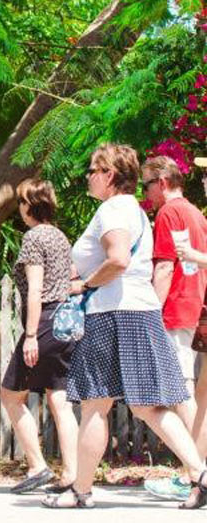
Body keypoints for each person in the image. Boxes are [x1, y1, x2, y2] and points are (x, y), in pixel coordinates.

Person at [44, 144, 207, 509]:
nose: (88, 176)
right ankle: (201, 475)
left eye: (92, 170)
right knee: (149, 405)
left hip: (112, 313)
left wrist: (84, 285)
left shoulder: (113, 209)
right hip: (139, 311)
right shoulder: (131, 209)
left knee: (94, 406)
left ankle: (81, 491)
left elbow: (117, 259)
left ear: (110, 175)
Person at [0, 179, 78, 494]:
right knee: (59, 399)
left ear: (28, 206)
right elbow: (69, 281)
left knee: (10, 394)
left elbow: (35, 290)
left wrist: (30, 335)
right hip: (65, 322)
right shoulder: (60, 236)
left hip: (43, 322)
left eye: (20, 202)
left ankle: (37, 466)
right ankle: (72, 473)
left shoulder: (33, 237)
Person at [140, 156, 207, 501]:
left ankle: (196, 475)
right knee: (187, 394)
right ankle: (195, 472)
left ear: (163, 182)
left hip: (173, 308)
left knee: (181, 395)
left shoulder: (168, 213)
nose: (146, 193)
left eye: (147, 185)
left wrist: (149, 313)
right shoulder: (196, 213)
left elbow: (164, 269)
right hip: (191, 304)